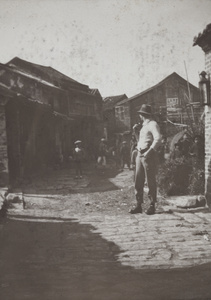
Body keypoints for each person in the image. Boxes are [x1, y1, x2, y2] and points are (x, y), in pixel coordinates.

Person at [129, 104, 162, 215]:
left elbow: (158, 139)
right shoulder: (144, 126)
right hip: (140, 153)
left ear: (143, 115)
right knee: (138, 180)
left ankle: (152, 205)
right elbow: (140, 142)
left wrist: (149, 152)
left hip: (148, 154)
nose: (140, 116)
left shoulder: (153, 124)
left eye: (141, 114)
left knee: (150, 181)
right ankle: (139, 205)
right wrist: (135, 132)